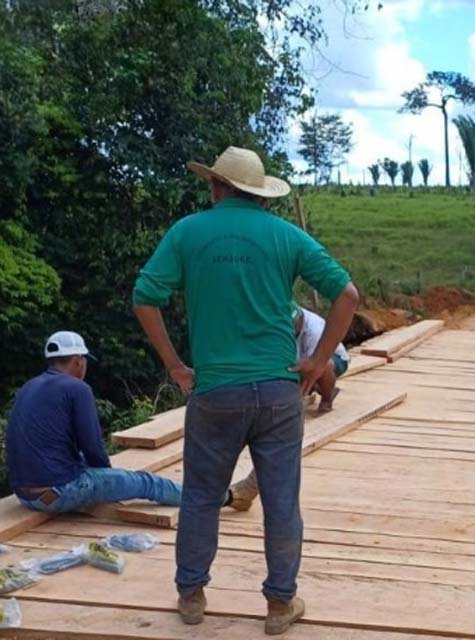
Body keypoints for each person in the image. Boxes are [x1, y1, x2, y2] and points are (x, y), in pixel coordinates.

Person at [133, 146, 358, 635]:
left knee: (199, 497)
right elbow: (347, 295)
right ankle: (280, 605)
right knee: (281, 502)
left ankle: (191, 597)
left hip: (215, 392)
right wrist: (318, 362)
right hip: (279, 393)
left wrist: (175, 366)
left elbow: (144, 297)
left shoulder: (188, 232)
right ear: (258, 194)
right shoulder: (285, 235)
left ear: (216, 186)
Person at [6, 331, 182, 513]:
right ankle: (199, 499)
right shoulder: (78, 388)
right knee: (146, 482)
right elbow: (93, 447)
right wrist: (108, 479)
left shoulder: (28, 387)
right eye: (85, 360)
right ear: (77, 361)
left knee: (80, 460)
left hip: (25, 497)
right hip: (59, 494)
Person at [293, 305, 350, 413]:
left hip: (333, 358)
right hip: (305, 361)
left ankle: (327, 400)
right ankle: (320, 387)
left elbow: (318, 363)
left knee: (324, 366)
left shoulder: (314, 329)